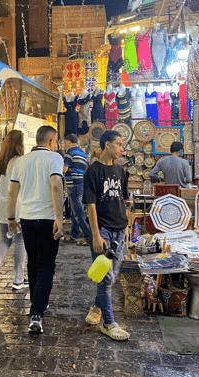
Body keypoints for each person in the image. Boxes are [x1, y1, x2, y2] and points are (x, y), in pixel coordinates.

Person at [7, 125, 64, 334]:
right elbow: (56, 186)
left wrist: (11, 217)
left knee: (33, 262)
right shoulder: (54, 158)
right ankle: (36, 313)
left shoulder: (20, 161)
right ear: (50, 141)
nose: (55, 145)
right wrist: (59, 217)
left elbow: (12, 192)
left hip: (27, 219)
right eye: (55, 141)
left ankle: (38, 302)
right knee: (47, 265)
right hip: (48, 219)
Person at [83, 130, 130, 341]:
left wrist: (127, 226)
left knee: (109, 278)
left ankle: (97, 305)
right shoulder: (92, 171)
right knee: (106, 277)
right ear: (107, 145)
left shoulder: (121, 171)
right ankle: (109, 323)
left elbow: (124, 200)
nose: (122, 148)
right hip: (102, 230)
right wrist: (95, 235)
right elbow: (90, 205)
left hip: (120, 229)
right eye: (119, 144)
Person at [0, 130, 28, 293]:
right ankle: (18, 280)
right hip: (17, 208)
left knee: (5, 240)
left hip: (1, 208)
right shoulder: (21, 162)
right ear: (19, 144)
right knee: (21, 242)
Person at [61, 134, 91, 246]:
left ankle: (89, 235)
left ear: (68, 141)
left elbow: (64, 169)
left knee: (78, 211)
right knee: (76, 208)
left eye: (65, 142)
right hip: (81, 183)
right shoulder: (82, 153)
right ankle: (75, 233)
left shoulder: (69, 152)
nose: (65, 144)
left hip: (72, 183)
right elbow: (87, 168)